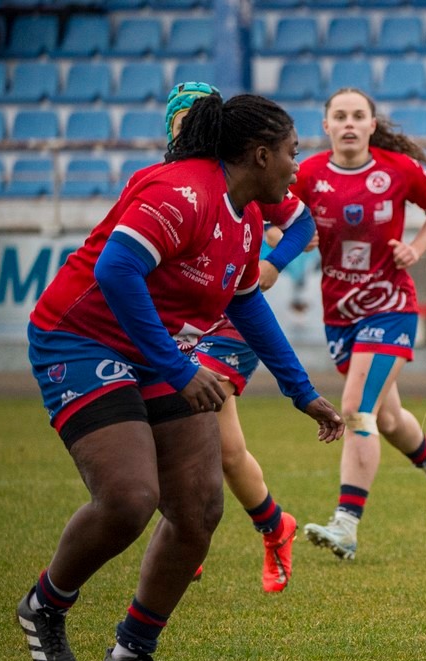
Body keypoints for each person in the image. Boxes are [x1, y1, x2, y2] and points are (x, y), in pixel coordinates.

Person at [18, 93, 344, 661]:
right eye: (294, 153)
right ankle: (46, 604)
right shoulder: (181, 193)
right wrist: (176, 365)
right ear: (260, 153)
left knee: (198, 508)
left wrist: (302, 391)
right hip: (81, 340)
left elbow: (246, 303)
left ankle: (131, 654)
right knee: (130, 498)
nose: (300, 167)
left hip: (157, 351)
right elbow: (114, 271)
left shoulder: (246, 217)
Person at [291, 87, 426, 561]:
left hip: (390, 306)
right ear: (325, 127)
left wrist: (417, 248)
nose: (348, 123)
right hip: (339, 312)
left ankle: (346, 523)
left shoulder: (397, 169)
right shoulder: (307, 174)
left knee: (356, 408)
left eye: (357, 116)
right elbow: (285, 225)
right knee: (386, 417)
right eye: (339, 116)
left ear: (370, 124)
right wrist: (293, 240)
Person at [163, 81, 318, 593]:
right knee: (220, 448)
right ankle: (269, 526)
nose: (194, 131)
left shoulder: (248, 177)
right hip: (182, 324)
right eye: (183, 123)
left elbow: (302, 225)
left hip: (230, 319)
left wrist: (272, 264)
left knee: (203, 431)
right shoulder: (172, 183)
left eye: (200, 120)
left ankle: (191, 532)